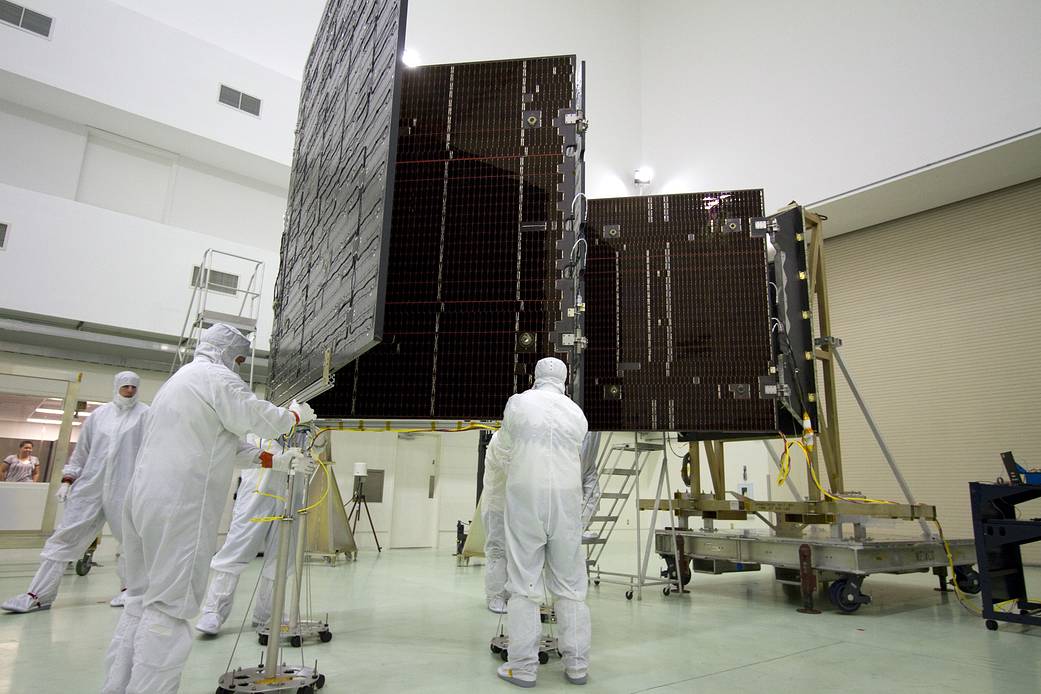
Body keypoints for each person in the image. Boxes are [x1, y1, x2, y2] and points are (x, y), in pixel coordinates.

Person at [101, 323, 316, 694]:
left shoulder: (180, 382)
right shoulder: (215, 377)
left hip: (143, 502)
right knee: (170, 608)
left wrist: (275, 461)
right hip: (180, 504)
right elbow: (256, 418)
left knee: (139, 599)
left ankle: (117, 687)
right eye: (238, 358)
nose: (239, 365)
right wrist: (294, 417)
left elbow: (224, 444)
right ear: (227, 354)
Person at [2, 372, 148, 613]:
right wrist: (68, 479)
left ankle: (131, 592)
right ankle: (39, 594)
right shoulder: (99, 416)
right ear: (116, 387)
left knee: (132, 540)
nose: (130, 391)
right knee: (64, 536)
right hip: (90, 486)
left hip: (127, 487)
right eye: (125, 386)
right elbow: (82, 451)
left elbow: (150, 454)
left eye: (134, 387)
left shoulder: (146, 415)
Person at [485, 357, 591, 688]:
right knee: (571, 585)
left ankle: (524, 667)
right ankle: (576, 665)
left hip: (526, 498)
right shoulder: (577, 413)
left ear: (535, 377)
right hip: (565, 501)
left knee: (524, 583)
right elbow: (576, 454)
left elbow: (502, 450)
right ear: (565, 379)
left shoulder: (519, 403)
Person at [483, 431, 601, 614]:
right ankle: (496, 596)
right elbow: (517, 471)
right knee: (499, 550)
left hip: (520, 505)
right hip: (498, 505)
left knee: (521, 553)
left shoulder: (528, 440)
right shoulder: (501, 440)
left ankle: (518, 596)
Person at [194, 462, 286, 635]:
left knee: (281, 555)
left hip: (292, 485)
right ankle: (213, 611)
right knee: (236, 549)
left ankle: (268, 612)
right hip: (258, 485)